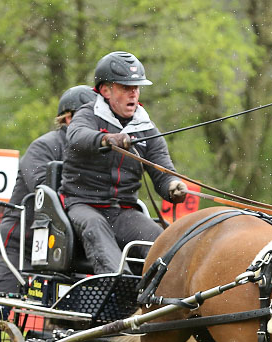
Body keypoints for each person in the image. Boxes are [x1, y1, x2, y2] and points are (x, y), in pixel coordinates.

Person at [59, 51, 187, 274]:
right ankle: (119, 287)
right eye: (126, 88)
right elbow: (76, 136)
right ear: (106, 90)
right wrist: (107, 139)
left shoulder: (145, 126)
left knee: (163, 245)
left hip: (123, 211)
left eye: (136, 88)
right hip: (83, 205)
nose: (133, 94)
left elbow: (161, 167)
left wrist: (172, 185)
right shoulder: (87, 114)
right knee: (97, 230)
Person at [0, 85, 96, 293]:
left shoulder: (91, 153)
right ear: (69, 119)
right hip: (22, 240)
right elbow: (46, 190)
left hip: (63, 245)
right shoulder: (44, 146)